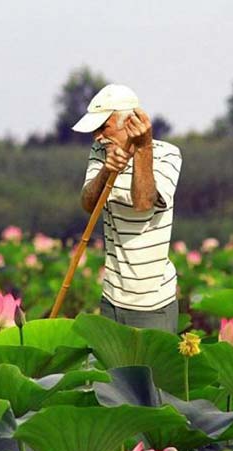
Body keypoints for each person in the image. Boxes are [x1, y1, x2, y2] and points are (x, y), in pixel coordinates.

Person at [73, 84, 182, 334]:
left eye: (104, 127)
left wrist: (143, 149)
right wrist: (107, 170)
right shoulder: (100, 152)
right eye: (95, 129)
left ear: (131, 123)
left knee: (153, 362)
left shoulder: (167, 155)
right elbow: (88, 204)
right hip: (111, 298)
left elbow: (143, 204)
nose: (97, 136)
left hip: (153, 302)